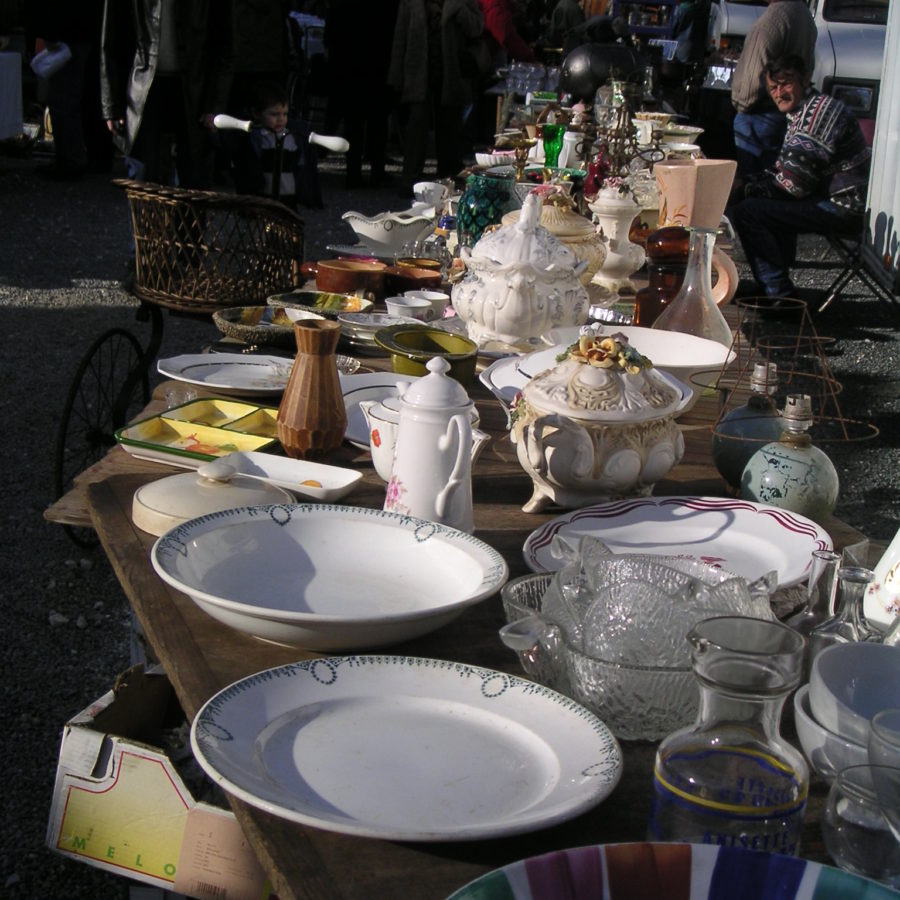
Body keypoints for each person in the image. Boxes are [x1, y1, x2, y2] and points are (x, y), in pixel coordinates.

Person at [727, 54, 871, 301]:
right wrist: (746, 181)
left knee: (747, 211)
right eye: (773, 87)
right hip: (824, 196)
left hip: (843, 206)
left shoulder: (818, 114)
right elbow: (786, 171)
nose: (779, 92)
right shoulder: (803, 111)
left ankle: (778, 296)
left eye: (786, 83)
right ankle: (770, 286)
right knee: (761, 204)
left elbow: (793, 185)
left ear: (805, 79)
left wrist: (742, 189)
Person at [100, 0, 234, 188]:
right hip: (145, 86)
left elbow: (224, 46)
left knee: (195, 179)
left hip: (195, 86)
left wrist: (215, 104)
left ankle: (189, 217)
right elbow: (112, 40)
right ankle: (151, 217)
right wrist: (112, 105)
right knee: (146, 177)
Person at [730, 0, 816, 179]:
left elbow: (753, 76)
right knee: (772, 177)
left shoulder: (772, 21)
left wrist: (742, 104)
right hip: (783, 110)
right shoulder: (804, 14)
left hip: (759, 112)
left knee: (752, 180)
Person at [227, 80, 323, 208]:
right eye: (274, 114)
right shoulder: (255, 138)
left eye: (285, 114)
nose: (281, 119)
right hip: (262, 198)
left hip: (289, 198)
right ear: (256, 113)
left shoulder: (292, 137)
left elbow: (302, 168)